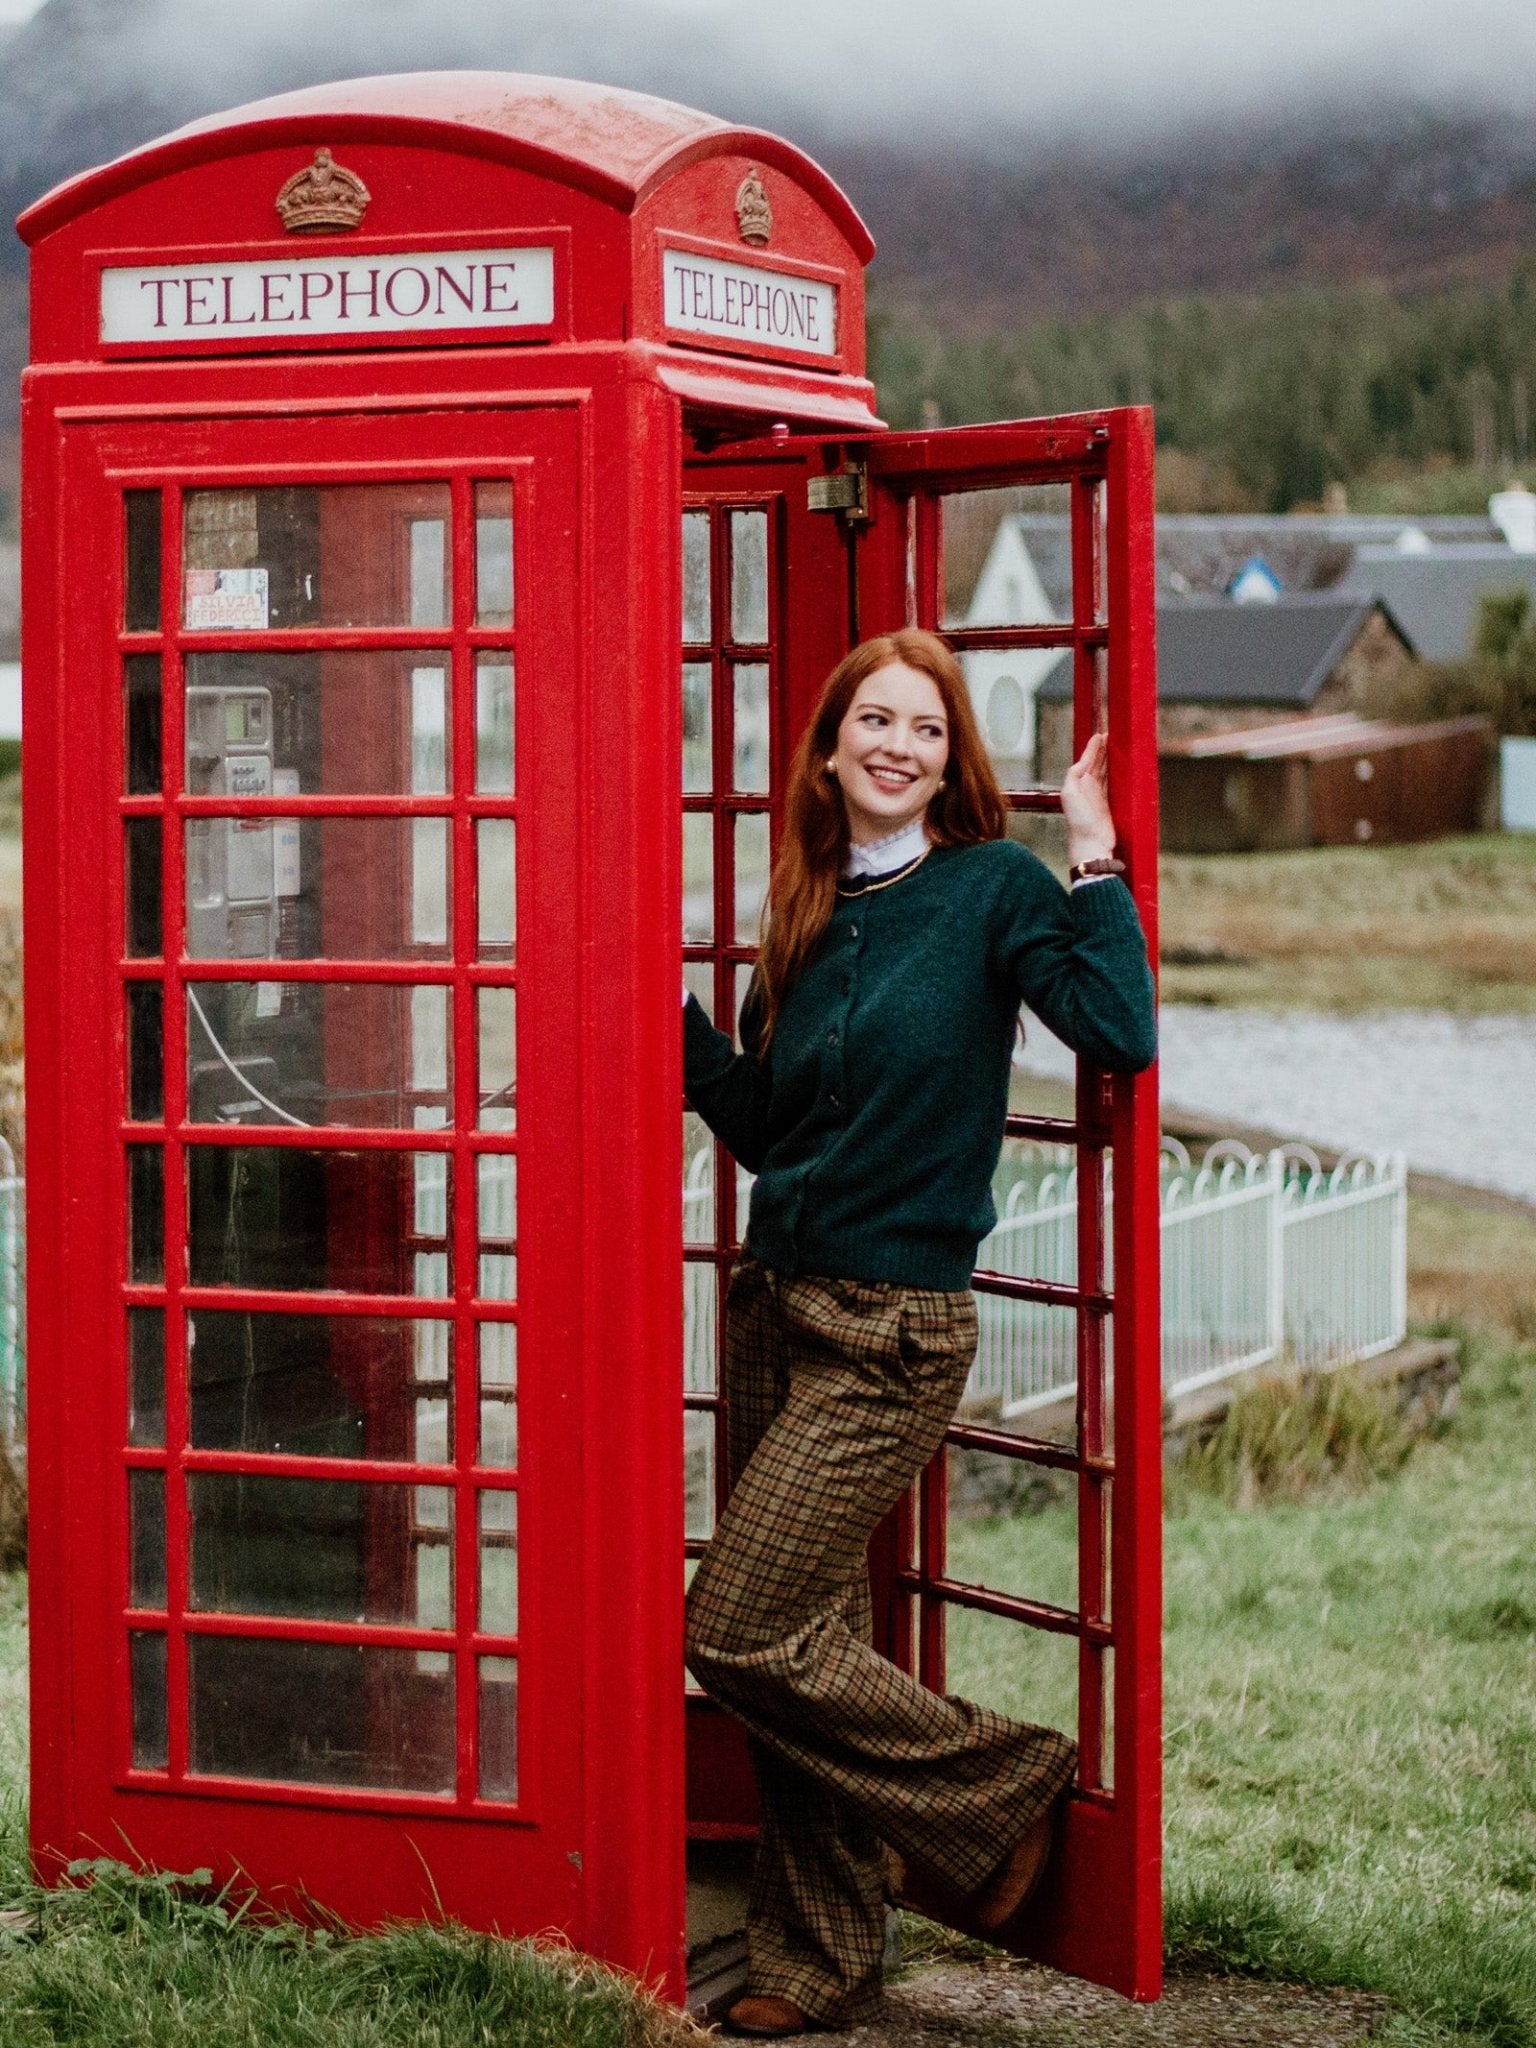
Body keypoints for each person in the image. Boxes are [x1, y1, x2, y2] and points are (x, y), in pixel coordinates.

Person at [682, 628, 1157, 2037]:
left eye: (927, 730)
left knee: (740, 1628)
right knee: (804, 1645)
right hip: (774, 1303)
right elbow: (768, 1129)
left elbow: (1117, 1030)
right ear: (829, 749)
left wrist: (1092, 854)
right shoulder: (805, 909)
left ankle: (1002, 1787)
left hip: (891, 1330)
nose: (897, 745)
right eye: (873, 722)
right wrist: (671, 1022)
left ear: (953, 764)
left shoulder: (991, 891)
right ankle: (818, 1959)